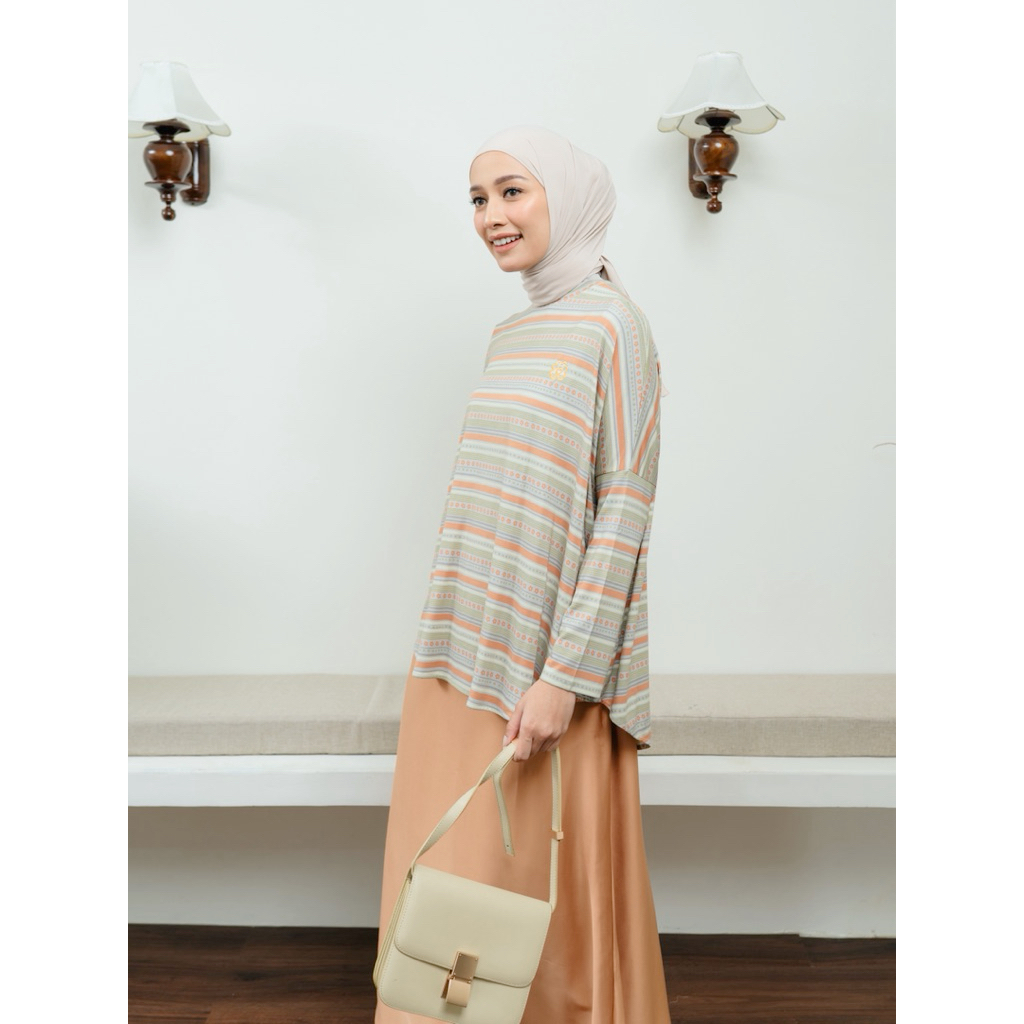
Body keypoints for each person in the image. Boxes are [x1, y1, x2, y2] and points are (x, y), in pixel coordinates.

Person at [375, 126, 670, 1023]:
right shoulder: (512, 333)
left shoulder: (616, 327)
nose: (491, 216)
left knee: (528, 900)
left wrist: (563, 679)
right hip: (457, 651)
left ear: (566, 198)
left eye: (512, 191)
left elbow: (625, 509)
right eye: (478, 198)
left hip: (545, 671)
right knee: (447, 881)